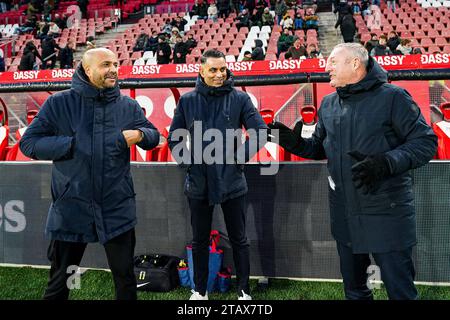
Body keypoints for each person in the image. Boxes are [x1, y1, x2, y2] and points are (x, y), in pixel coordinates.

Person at [268, 43, 437, 300]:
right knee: (355, 292)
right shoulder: (328, 104)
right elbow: (318, 148)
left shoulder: (394, 97)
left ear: (355, 64)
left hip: (386, 212)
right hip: (345, 216)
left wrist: (386, 162)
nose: (327, 68)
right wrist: (295, 143)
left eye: (333, 62)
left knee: (400, 292)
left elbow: (425, 142)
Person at [19, 48, 161, 300]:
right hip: (71, 207)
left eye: (116, 64)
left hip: (117, 206)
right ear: (86, 69)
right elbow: (29, 144)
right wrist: (71, 145)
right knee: (60, 281)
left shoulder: (127, 106)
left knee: (125, 280)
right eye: (106, 64)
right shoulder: (58, 103)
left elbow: (153, 136)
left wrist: (139, 135)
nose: (114, 69)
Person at [168, 49, 268, 300]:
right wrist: (189, 164)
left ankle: (244, 290)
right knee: (200, 240)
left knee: (239, 239)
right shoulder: (187, 101)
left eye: (222, 69)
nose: (219, 74)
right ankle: (199, 290)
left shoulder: (240, 99)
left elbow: (261, 131)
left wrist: (238, 159)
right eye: (213, 69)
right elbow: (174, 137)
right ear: (201, 70)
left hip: (232, 181)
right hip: (198, 183)